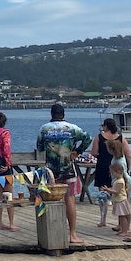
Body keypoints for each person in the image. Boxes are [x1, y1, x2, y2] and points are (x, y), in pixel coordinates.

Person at [36, 103, 92, 245]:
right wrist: (77, 151)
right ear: (64, 114)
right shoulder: (73, 128)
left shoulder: (44, 129)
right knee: (70, 200)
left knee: (50, 200)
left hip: (51, 170)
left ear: (51, 114)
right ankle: (72, 234)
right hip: (68, 168)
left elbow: (39, 147)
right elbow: (88, 138)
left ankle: (54, 232)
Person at [90, 118, 131, 193]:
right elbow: (128, 154)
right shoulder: (121, 138)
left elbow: (94, 153)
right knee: (118, 187)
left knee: (103, 189)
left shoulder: (99, 137)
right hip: (118, 166)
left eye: (103, 126)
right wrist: (128, 168)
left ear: (106, 126)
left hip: (102, 164)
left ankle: (105, 202)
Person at [101, 162, 131, 237]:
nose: (112, 175)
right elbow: (115, 189)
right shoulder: (117, 180)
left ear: (118, 172)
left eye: (113, 173)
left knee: (122, 216)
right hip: (118, 200)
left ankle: (124, 231)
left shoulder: (120, 181)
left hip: (121, 200)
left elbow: (116, 191)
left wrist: (107, 190)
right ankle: (122, 229)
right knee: (120, 216)